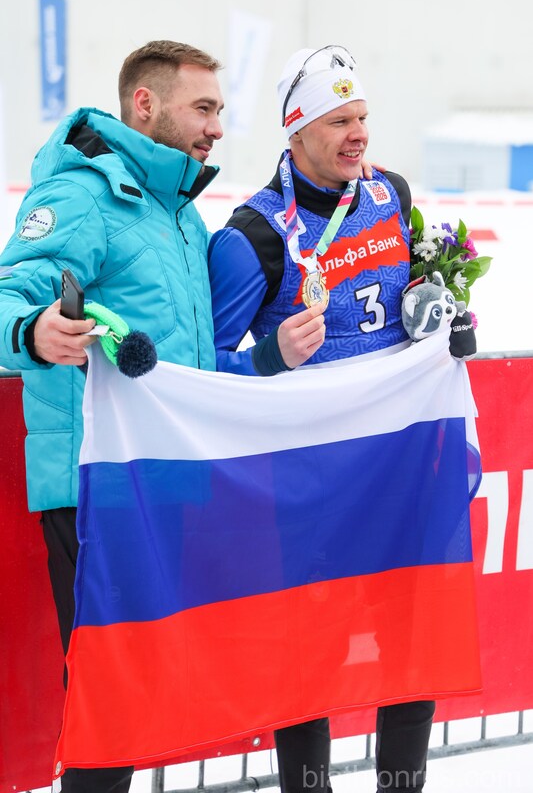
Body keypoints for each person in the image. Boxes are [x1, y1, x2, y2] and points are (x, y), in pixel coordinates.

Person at [208, 44, 471, 793]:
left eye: (362, 117)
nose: (358, 135)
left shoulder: (389, 191)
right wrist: (269, 358)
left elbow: (410, 290)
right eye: (338, 121)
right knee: (309, 654)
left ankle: (400, 785)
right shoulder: (253, 237)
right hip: (308, 482)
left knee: (408, 643)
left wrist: (442, 315)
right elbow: (201, 369)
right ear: (295, 131)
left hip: (396, 465)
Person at [0, 40, 224, 793]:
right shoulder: (80, 196)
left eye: (219, 109)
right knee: (108, 694)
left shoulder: (181, 218)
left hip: (164, 481)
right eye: (202, 108)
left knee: (137, 696)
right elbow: (8, 296)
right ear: (145, 104)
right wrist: (33, 332)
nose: (216, 127)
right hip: (95, 486)